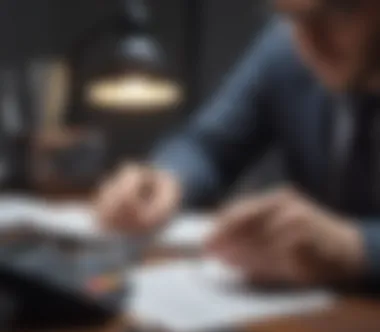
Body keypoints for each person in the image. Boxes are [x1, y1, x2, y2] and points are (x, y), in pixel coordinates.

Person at [97, 0, 380, 286]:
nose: (311, 43)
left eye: (338, 13)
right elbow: (207, 145)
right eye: (291, 16)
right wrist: (167, 179)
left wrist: (360, 247)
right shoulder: (287, 45)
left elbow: (353, 249)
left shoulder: (306, 40)